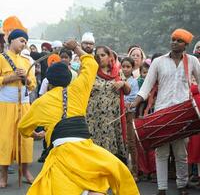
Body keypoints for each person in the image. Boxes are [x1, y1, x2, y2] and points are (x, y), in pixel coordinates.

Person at [18, 39, 139, 195]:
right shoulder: (78, 88)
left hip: (61, 154)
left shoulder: (41, 103)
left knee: (62, 188)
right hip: (86, 149)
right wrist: (76, 47)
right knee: (97, 184)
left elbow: (23, 129)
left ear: (49, 81)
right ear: (70, 78)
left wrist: (37, 134)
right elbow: (91, 64)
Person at [129, 28, 200, 195]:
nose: (174, 42)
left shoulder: (193, 61)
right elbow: (147, 85)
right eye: (173, 39)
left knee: (181, 152)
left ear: (186, 45)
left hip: (183, 112)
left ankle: (182, 186)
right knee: (161, 151)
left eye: (179, 41)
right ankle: (162, 188)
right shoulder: (158, 62)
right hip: (162, 111)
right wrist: (135, 103)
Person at [0, 29, 36, 188]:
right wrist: (12, 77)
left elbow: (33, 85)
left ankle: (26, 171)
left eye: (25, 42)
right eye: (21, 40)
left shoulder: (27, 61)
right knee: (5, 140)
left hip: (24, 105)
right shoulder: (1, 58)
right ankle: (3, 175)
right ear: (12, 40)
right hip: (6, 105)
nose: (24, 44)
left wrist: (26, 79)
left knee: (26, 139)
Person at [87, 45, 131, 164]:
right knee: (95, 149)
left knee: (111, 150)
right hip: (94, 119)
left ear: (109, 57)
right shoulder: (91, 72)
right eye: (98, 55)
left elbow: (128, 91)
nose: (100, 58)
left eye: (103, 55)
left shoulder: (117, 73)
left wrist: (122, 83)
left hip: (112, 119)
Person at [121, 56, 139, 181]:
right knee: (122, 142)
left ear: (132, 68)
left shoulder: (133, 81)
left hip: (129, 114)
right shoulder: (118, 79)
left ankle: (135, 172)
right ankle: (123, 171)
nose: (126, 69)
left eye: (128, 67)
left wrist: (125, 103)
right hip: (119, 113)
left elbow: (133, 98)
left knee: (131, 142)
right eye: (123, 66)